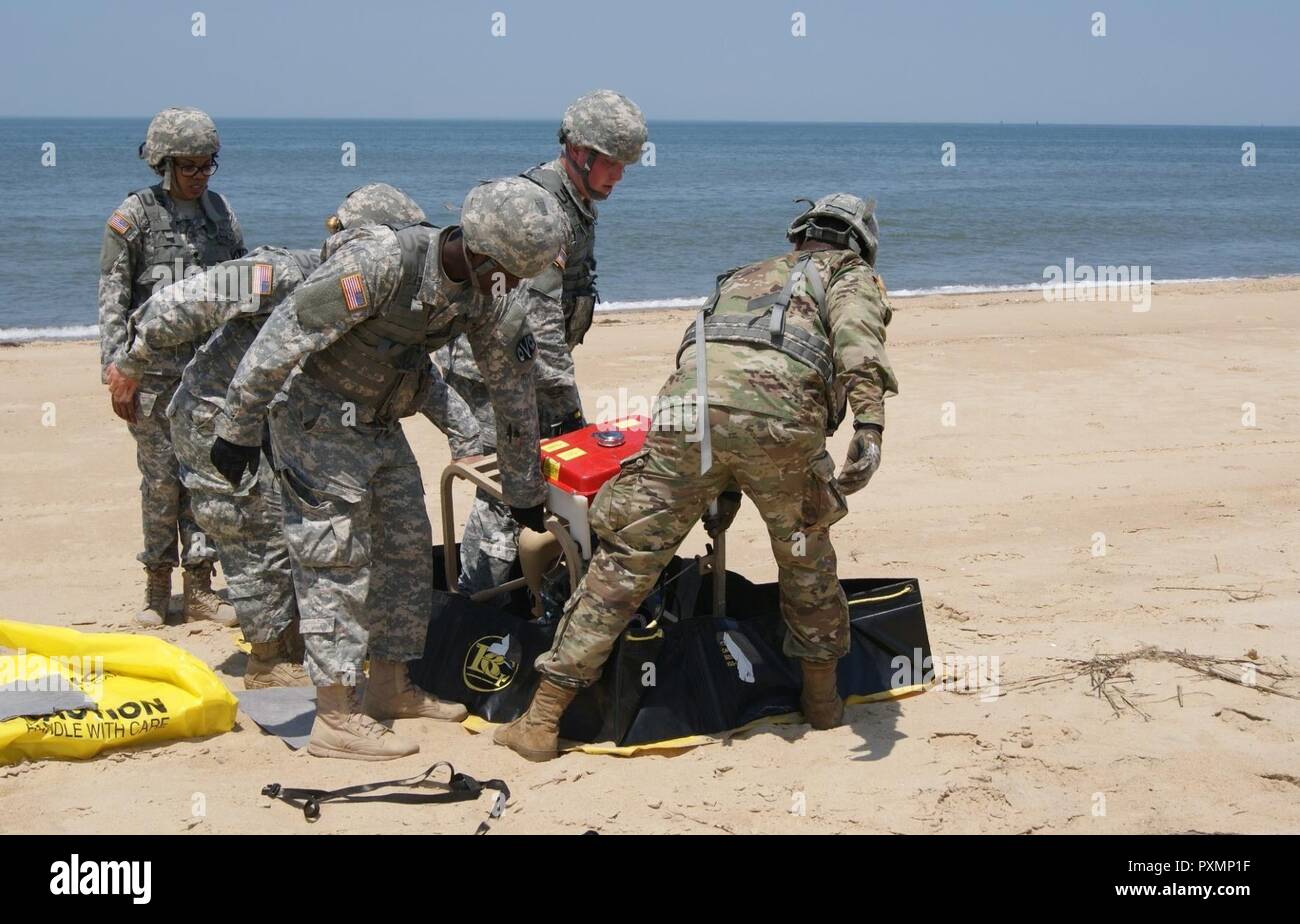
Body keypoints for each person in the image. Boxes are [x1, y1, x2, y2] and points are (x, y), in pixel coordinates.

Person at [495, 194, 899, 761]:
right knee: (805, 559)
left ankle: (542, 719)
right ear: (859, 245)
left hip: (685, 419)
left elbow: (696, 354)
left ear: (800, 234)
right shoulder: (851, 274)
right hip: (780, 425)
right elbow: (859, 340)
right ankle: (824, 705)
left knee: (626, 561)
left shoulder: (742, 275)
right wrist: (870, 423)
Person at [210, 178, 569, 760]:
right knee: (336, 558)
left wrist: (524, 490)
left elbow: (513, 393)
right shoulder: (380, 262)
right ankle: (333, 716)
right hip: (316, 418)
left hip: (379, 421)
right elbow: (285, 336)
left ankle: (390, 687)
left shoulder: (489, 295)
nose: (519, 287)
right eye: (513, 272)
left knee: (406, 548)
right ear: (481, 253)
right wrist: (238, 426)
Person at [122, 184, 481, 688]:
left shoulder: (385, 289)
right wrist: (129, 363)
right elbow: (177, 306)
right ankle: (270, 659)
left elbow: (415, 373)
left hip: (290, 418)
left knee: (310, 536)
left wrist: (469, 436)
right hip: (217, 410)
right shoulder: (284, 273)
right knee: (252, 531)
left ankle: (308, 648)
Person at [442, 90, 647, 603]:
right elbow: (538, 321)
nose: (618, 176)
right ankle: (476, 604)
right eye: (612, 164)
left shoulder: (575, 201)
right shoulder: (546, 206)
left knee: (533, 482)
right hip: (498, 369)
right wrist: (568, 409)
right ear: (580, 152)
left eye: (625, 165)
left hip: (522, 365)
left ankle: (518, 592)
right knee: (507, 487)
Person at [98, 107, 245, 627]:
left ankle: (201, 587)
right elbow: (113, 300)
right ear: (163, 164)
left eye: (208, 164)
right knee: (160, 483)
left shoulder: (221, 215)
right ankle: (157, 589)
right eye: (189, 166)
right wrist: (117, 370)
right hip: (152, 375)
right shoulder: (133, 218)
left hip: (208, 376)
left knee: (204, 478)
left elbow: (243, 289)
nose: (200, 174)